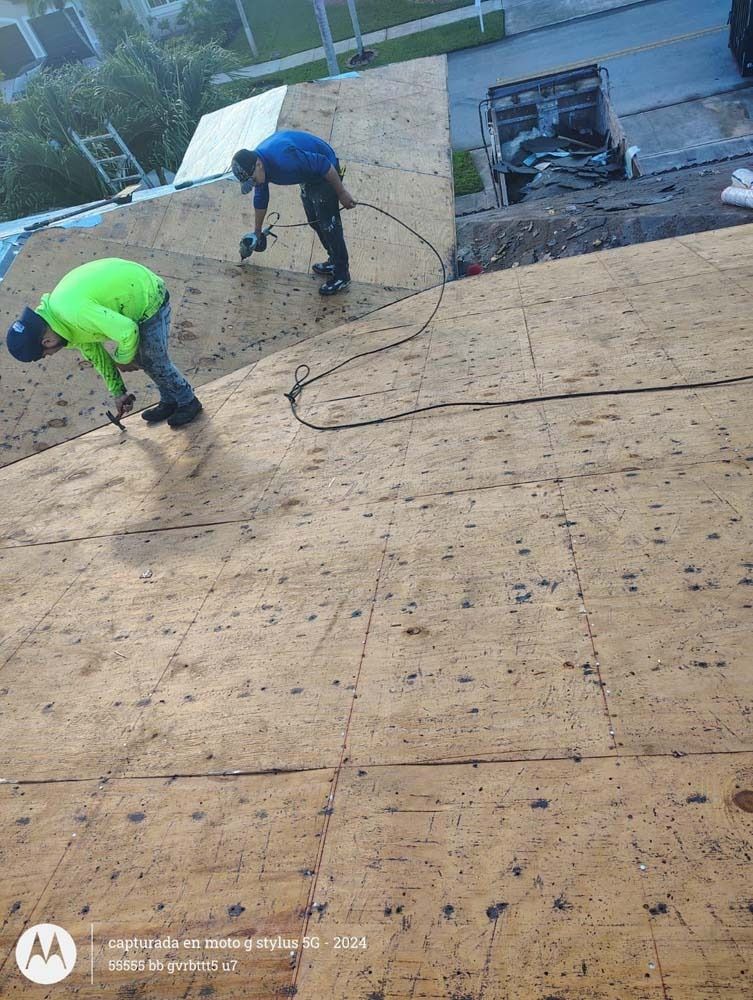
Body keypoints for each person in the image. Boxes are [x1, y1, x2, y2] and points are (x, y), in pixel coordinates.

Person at [5, 257, 202, 428]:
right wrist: (118, 392)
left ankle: (188, 401)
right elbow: (97, 357)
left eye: (45, 354)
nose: (50, 355)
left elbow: (127, 330)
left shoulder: (74, 313)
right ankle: (169, 400)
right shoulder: (59, 326)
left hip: (147, 296)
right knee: (142, 359)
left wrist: (122, 359)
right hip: (128, 299)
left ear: (46, 342)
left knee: (154, 360)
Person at [232, 130, 357, 296]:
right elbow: (261, 198)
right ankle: (334, 260)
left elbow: (324, 164)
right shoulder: (258, 166)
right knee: (314, 220)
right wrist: (257, 232)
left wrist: (341, 193)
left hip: (325, 172)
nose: (254, 184)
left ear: (259, 165)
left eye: (253, 180)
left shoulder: (284, 158)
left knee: (329, 226)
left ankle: (342, 274)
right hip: (307, 175)